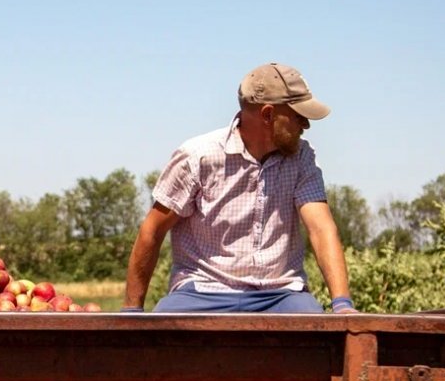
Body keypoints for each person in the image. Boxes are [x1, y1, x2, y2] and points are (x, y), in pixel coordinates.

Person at [123, 62, 356, 314]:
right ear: (267, 114)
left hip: (280, 295)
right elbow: (152, 230)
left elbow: (321, 229)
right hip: (202, 290)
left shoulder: (302, 158)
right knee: (161, 341)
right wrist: (131, 312)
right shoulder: (198, 157)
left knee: (318, 338)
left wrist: (342, 305)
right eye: (298, 116)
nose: (306, 125)